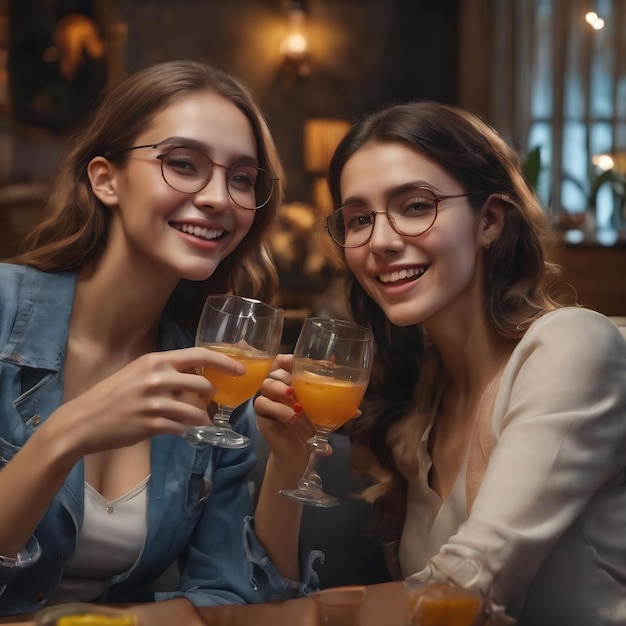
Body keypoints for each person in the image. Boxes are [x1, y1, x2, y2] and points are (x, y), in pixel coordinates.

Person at [254, 100, 626, 625]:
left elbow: (463, 591)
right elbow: (269, 588)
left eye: (414, 205)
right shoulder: (420, 404)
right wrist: (287, 464)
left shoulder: (572, 345)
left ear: (489, 220)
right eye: (359, 218)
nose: (380, 241)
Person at [0, 59, 319, 616]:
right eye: (183, 163)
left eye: (242, 178)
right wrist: (64, 435)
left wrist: (288, 471)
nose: (220, 197)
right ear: (105, 179)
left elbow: (237, 600)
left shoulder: (216, 377)